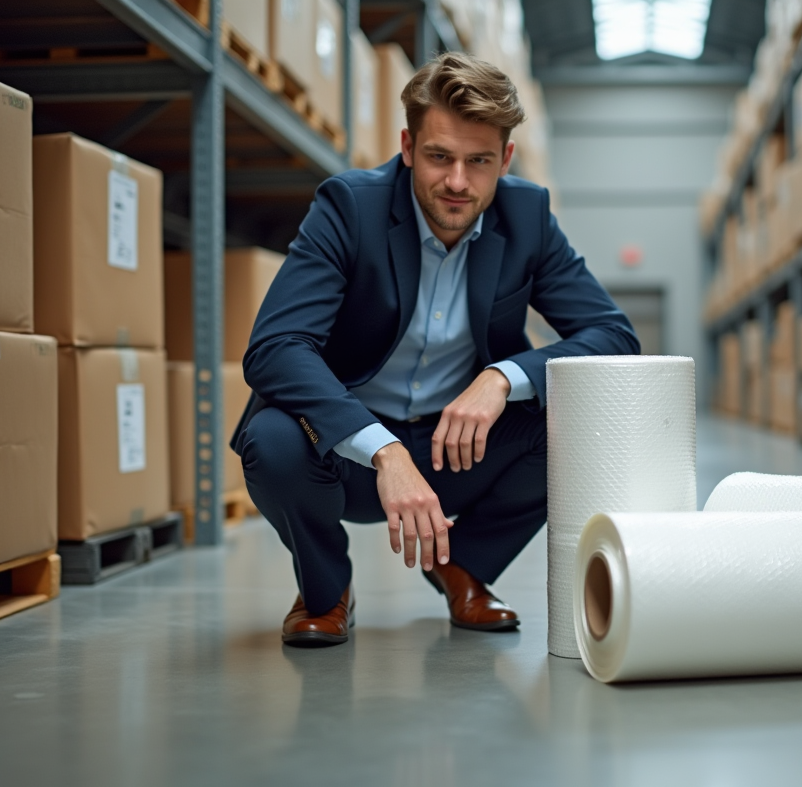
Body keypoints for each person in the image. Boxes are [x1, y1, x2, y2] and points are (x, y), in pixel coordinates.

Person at [231, 52, 639, 647]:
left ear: (505, 158)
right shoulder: (350, 207)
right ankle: (325, 591)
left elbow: (613, 337)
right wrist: (384, 450)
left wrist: (503, 377)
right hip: (346, 454)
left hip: (460, 450)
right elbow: (275, 347)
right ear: (406, 146)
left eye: (478, 162)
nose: (457, 182)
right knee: (271, 442)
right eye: (439, 157)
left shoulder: (528, 218)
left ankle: (462, 567)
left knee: (579, 422)